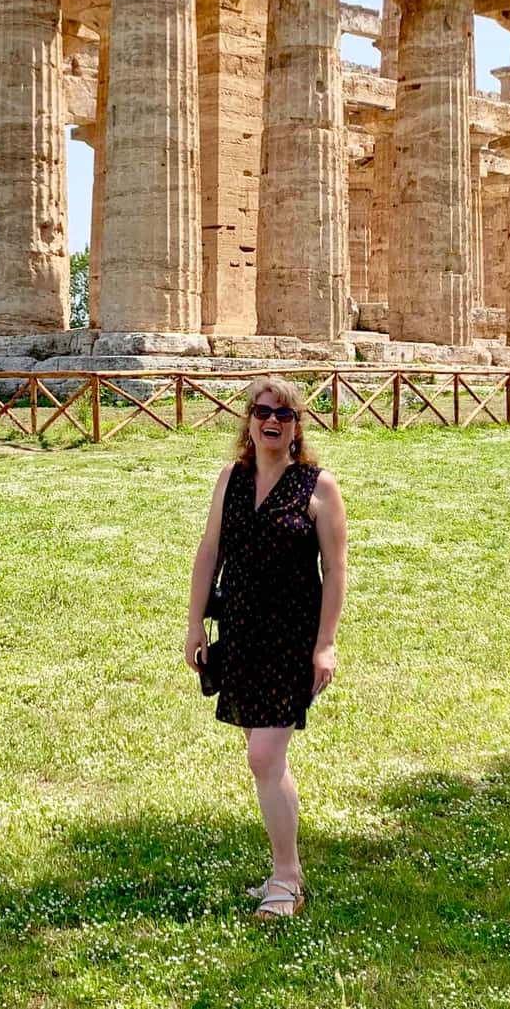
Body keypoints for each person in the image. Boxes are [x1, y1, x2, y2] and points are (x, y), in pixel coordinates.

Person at [185, 375, 348, 922]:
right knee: (264, 759)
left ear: (298, 426)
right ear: (248, 423)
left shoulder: (318, 486)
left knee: (262, 756)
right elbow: (210, 552)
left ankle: (287, 879)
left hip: (291, 637)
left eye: (283, 414)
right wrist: (194, 627)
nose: (271, 421)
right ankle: (286, 872)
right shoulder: (231, 477)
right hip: (241, 630)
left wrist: (325, 645)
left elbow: (336, 570)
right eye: (261, 412)